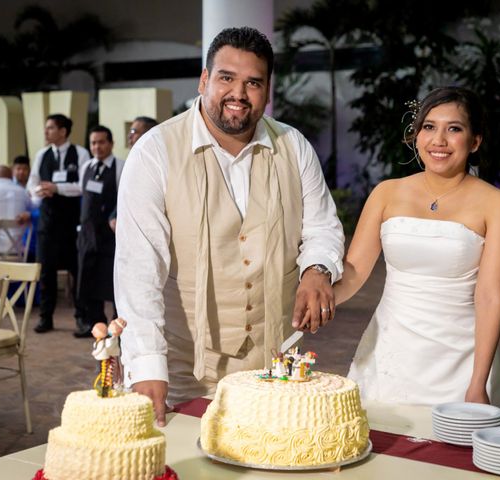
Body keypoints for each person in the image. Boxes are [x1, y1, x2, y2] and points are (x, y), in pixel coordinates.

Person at [114, 27, 344, 425]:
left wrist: (317, 269)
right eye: (226, 78)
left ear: (267, 91)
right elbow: (139, 269)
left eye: (253, 82)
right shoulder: (155, 151)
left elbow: (323, 226)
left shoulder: (294, 146)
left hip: (275, 367)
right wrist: (148, 366)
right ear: (204, 80)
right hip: (185, 372)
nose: (238, 93)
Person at [335, 86, 500, 407]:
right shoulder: (386, 193)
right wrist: (312, 302)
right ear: (417, 135)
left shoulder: (496, 205)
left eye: (454, 129)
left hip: (460, 360)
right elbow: (353, 273)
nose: (439, 140)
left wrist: (478, 382)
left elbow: (490, 296)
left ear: (475, 141)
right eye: (429, 127)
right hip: (389, 354)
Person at [27, 113, 90, 333]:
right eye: (46, 128)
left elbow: (83, 185)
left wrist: (57, 188)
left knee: (77, 270)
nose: (46, 132)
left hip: (72, 224)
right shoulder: (42, 154)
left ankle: (82, 317)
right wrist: (40, 191)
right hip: (47, 223)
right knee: (46, 272)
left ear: (63, 131)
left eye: (51, 128)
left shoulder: (80, 153)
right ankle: (46, 317)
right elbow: (32, 184)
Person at [74, 125, 124, 338]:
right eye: (93, 142)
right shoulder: (86, 167)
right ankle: (94, 326)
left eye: (101, 142)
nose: (97, 146)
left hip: (110, 237)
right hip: (87, 235)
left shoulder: (121, 166)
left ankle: (117, 329)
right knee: (88, 280)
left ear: (111, 144)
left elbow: (126, 197)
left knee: (114, 283)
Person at [108, 116, 157, 233]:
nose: (129, 135)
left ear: (148, 134)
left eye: (134, 131)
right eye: (130, 131)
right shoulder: (131, 161)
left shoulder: (156, 163)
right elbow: (126, 194)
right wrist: (115, 216)